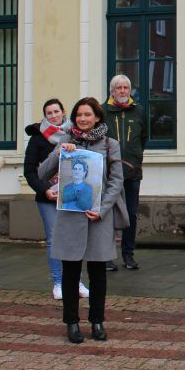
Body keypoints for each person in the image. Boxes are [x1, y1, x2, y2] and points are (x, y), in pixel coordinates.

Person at [38, 97, 124, 344]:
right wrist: (59, 152)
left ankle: (97, 321)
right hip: (70, 217)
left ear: (97, 117)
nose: (83, 119)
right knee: (71, 271)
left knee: (98, 272)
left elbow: (116, 181)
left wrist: (103, 209)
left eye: (88, 115)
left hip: (97, 217)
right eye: (79, 115)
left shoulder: (110, 144)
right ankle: (72, 322)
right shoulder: (65, 141)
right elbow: (42, 173)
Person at [23, 99, 89, 301]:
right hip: (48, 198)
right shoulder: (37, 139)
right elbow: (30, 171)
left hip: (71, 195)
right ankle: (58, 281)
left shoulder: (74, 134)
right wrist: (44, 191)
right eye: (49, 113)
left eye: (56, 111)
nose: (53, 116)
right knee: (54, 239)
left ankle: (76, 280)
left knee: (73, 238)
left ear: (63, 112)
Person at [104, 74, 148, 271]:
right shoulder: (103, 111)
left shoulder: (138, 111)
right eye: (118, 88)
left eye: (126, 88)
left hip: (132, 172)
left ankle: (128, 254)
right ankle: (106, 256)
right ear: (112, 91)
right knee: (108, 213)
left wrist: (136, 157)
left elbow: (143, 138)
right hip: (109, 172)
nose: (122, 91)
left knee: (130, 213)